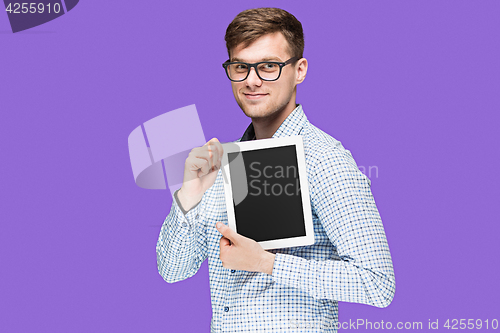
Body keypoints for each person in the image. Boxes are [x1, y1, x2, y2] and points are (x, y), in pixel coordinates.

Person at [156, 7, 395, 332]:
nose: (252, 81)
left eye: (268, 66)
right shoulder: (221, 165)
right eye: (241, 67)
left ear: (299, 70)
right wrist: (189, 195)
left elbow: (377, 283)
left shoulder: (324, 159)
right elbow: (173, 270)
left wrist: (266, 263)